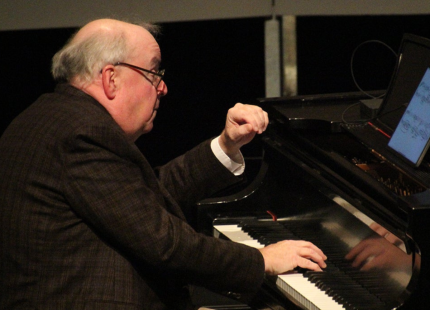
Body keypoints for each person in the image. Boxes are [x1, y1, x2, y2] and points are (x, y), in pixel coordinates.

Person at [0, 18, 327, 310]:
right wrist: (262, 259)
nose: (163, 87)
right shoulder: (83, 133)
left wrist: (226, 145)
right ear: (111, 79)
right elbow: (165, 243)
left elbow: (140, 200)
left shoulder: (52, 117)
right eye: (153, 72)